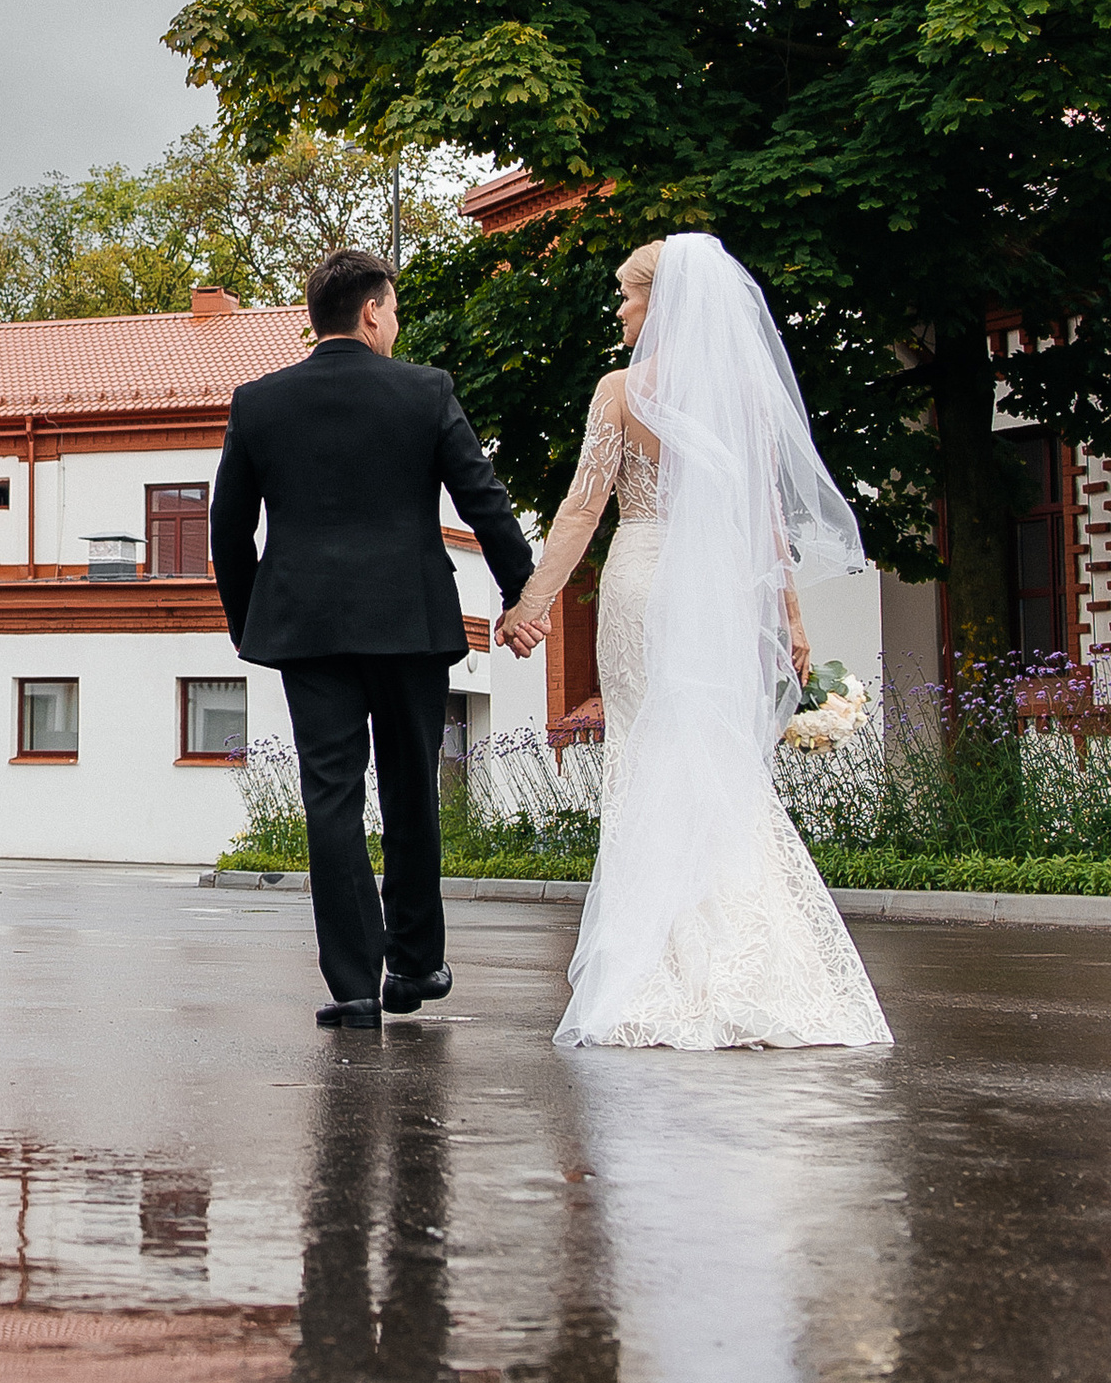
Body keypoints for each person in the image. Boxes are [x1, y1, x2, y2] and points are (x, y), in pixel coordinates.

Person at [495, 232, 891, 1052]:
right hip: (712, 591)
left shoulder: (620, 392)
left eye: (628, 295)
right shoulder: (740, 394)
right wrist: (791, 619)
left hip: (642, 582)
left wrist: (533, 603)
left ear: (662, 304)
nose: (619, 308)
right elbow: (763, 520)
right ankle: (754, 962)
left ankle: (662, 966)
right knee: (712, 761)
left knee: (647, 758)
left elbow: (580, 511)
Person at [213, 247, 535, 1028]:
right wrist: (523, 590)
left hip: (307, 632)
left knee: (331, 795)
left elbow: (229, 531)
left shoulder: (257, 402)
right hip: (410, 624)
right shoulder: (425, 391)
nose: (396, 326)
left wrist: (254, 623)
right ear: (370, 312)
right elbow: (484, 502)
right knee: (409, 793)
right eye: (393, 312)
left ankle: (353, 985)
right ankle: (416, 967)